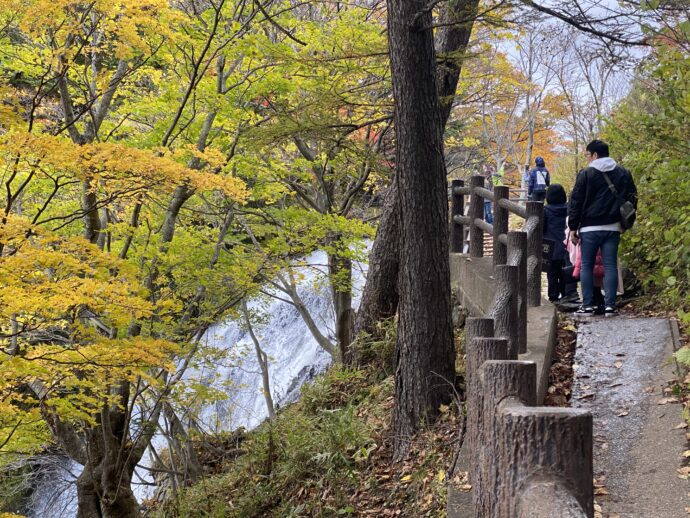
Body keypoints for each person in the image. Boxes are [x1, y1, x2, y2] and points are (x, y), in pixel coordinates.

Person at [568, 139, 637, 316]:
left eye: (588, 155)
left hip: (589, 228)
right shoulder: (623, 172)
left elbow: (576, 201)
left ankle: (588, 306)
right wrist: (624, 222)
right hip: (613, 227)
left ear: (595, 155)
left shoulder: (585, 174)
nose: (588, 159)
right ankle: (610, 306)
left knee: (586, 266)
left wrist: (573, 227)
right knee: (610, 266)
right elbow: (632, 197)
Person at [543, 184, 568, 302]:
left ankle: (553, 296)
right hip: (566, 245)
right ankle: (565, 293)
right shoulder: (568, 209)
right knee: (565, 271)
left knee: (552, 273)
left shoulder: (545, 210)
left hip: (551, 246)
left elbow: (542, 228)